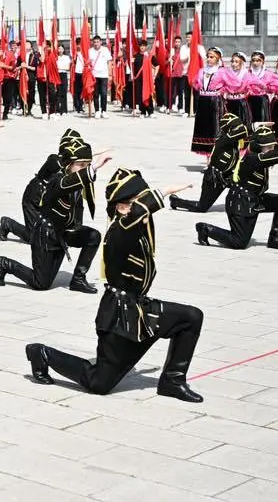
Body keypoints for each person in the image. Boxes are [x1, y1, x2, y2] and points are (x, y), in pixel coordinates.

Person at [24, 170, 203, 403]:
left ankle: (173, 381)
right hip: (118, 317)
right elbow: (137, 213)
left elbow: (139, 214)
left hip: (139, 310)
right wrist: (164, 191)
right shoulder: (120, 232)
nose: (143, 210)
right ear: (121, 207)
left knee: (191, 317)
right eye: (135, 203)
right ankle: (42, 353)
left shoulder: (134, 228)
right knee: (100, 383)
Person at [0, 133, 112, 292]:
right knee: (41, 283)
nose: (84, 169)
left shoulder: (76, 181)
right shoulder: (58, 180)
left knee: (93, 236)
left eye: (86, 165)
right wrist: (93, 167)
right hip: (46, 234)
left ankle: (78, 279)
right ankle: (4, 263)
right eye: (81, 165)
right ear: (69, 164)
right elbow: (68, 183)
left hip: (63, 232)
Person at [195, 125, 278, 251]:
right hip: (240, 203)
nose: (271, 149)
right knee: (239, 242)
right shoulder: (252, 159)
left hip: (254, 199)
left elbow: (269, 158)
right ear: (258, 147)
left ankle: (274, 239)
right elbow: (269, 158)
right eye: (268, 147)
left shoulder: (258, 158)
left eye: (272, 146)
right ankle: (206, 229)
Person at [171, 113, 248, 213]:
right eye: (236, 127)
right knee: (201, 207)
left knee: (247, 183)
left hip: (228, 176)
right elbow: (243, 131)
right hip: (214, 179)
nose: (239, 128)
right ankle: (175, 201)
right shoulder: (223, 140)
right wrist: (255, 125)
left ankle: (244, 204)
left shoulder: (233, 141)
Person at [189, 48, 226, 155]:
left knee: (215, 129)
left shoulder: (221, 71)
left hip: (215, 102)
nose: (209, 59)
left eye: (212, 57)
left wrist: (223, 91)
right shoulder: (202, 71)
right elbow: (195, 83)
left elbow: (234, 83)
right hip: (203, 102)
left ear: (218, 58)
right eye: (208, 57)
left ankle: (215, 158)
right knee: (204, 129)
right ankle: (207, 158)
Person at [86, 36, 111, 118]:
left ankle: (104, 110)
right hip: (94, 75)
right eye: (94, 42)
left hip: (104, 75)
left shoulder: (105, 50)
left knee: (104, 93)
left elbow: (109, 62)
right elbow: (87, 63)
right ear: (93, 43)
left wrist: (110, 74)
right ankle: (97, 110)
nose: (96, 43)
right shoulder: (90, 51)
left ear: (100, 42)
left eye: (97, 42)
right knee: (95, 94)